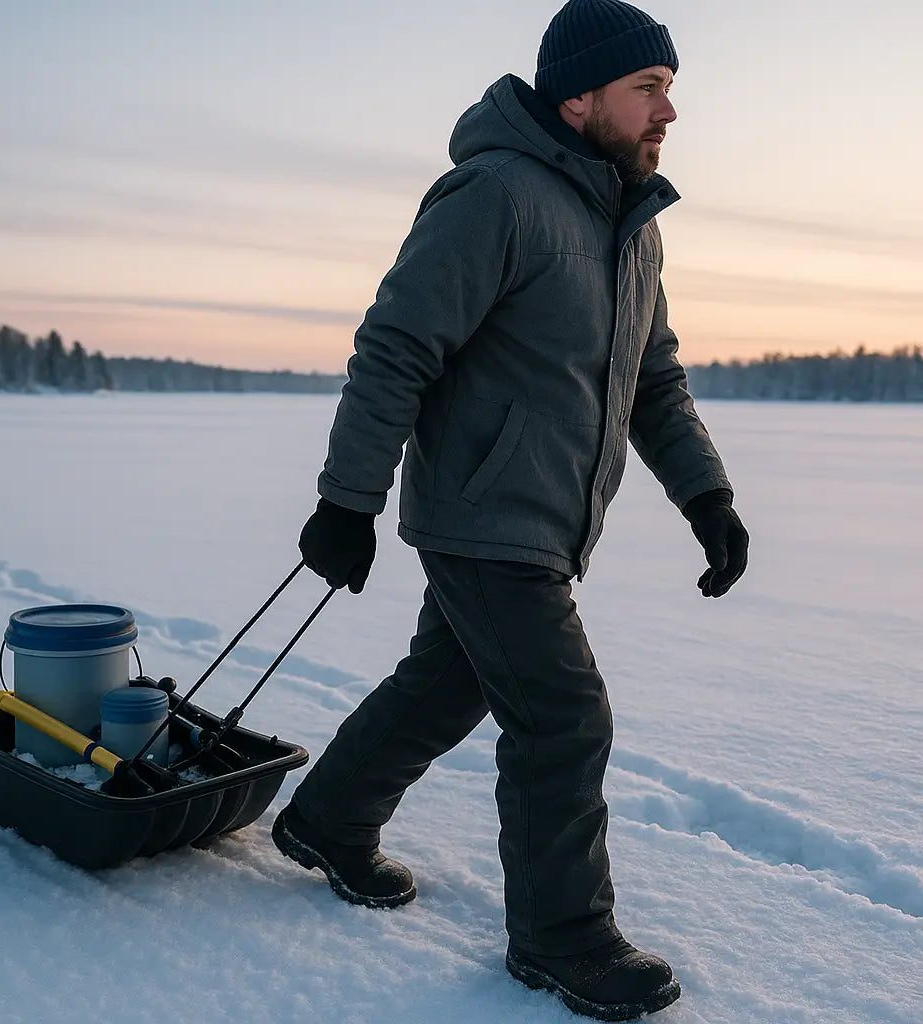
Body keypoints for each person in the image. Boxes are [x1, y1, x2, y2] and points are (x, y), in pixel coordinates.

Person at [271, 0, 750, 1019]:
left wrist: (706, 495)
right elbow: (396, 345)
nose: (668, 111)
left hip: (544, 518)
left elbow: (651, 382)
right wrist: (345, 501)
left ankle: (328, 819)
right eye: (647, 88)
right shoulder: (494, 194)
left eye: (669, 89)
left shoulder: (626, 227)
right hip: (481, 512)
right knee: (564, 714)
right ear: (578, 99)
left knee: (447, 684)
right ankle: (559, 937)